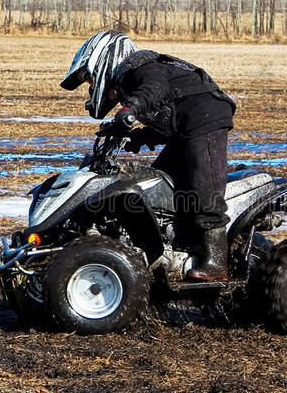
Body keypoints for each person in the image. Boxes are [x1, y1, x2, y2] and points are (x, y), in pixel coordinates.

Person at [60, 30, 236, 282]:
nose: (91, 86)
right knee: (161, 184)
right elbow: (169, 111)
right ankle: (180, 242)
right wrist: (136, 137)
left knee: (202, 185)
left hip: (206, 121)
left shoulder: (142, 64)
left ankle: (217, 260)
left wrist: (130, 111)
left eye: (90, 79)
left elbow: (155, 89)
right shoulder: (130, 81)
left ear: (103, 62)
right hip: (186, 125)